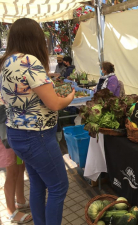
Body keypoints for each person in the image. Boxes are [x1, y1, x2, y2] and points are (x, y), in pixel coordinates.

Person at [0, 18, 75, 225]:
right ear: (35, 38)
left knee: (38, 184)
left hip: (16, 134)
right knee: (59, 186)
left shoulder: (6, 61)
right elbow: (54, 104)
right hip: (37, 136)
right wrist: (70, 96)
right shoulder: (29, 62)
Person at [0, 105, 32, 224]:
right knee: (12, 170)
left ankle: (20, 200)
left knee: (20, 165)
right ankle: (10, 211)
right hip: (4, 133)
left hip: (15, 128)